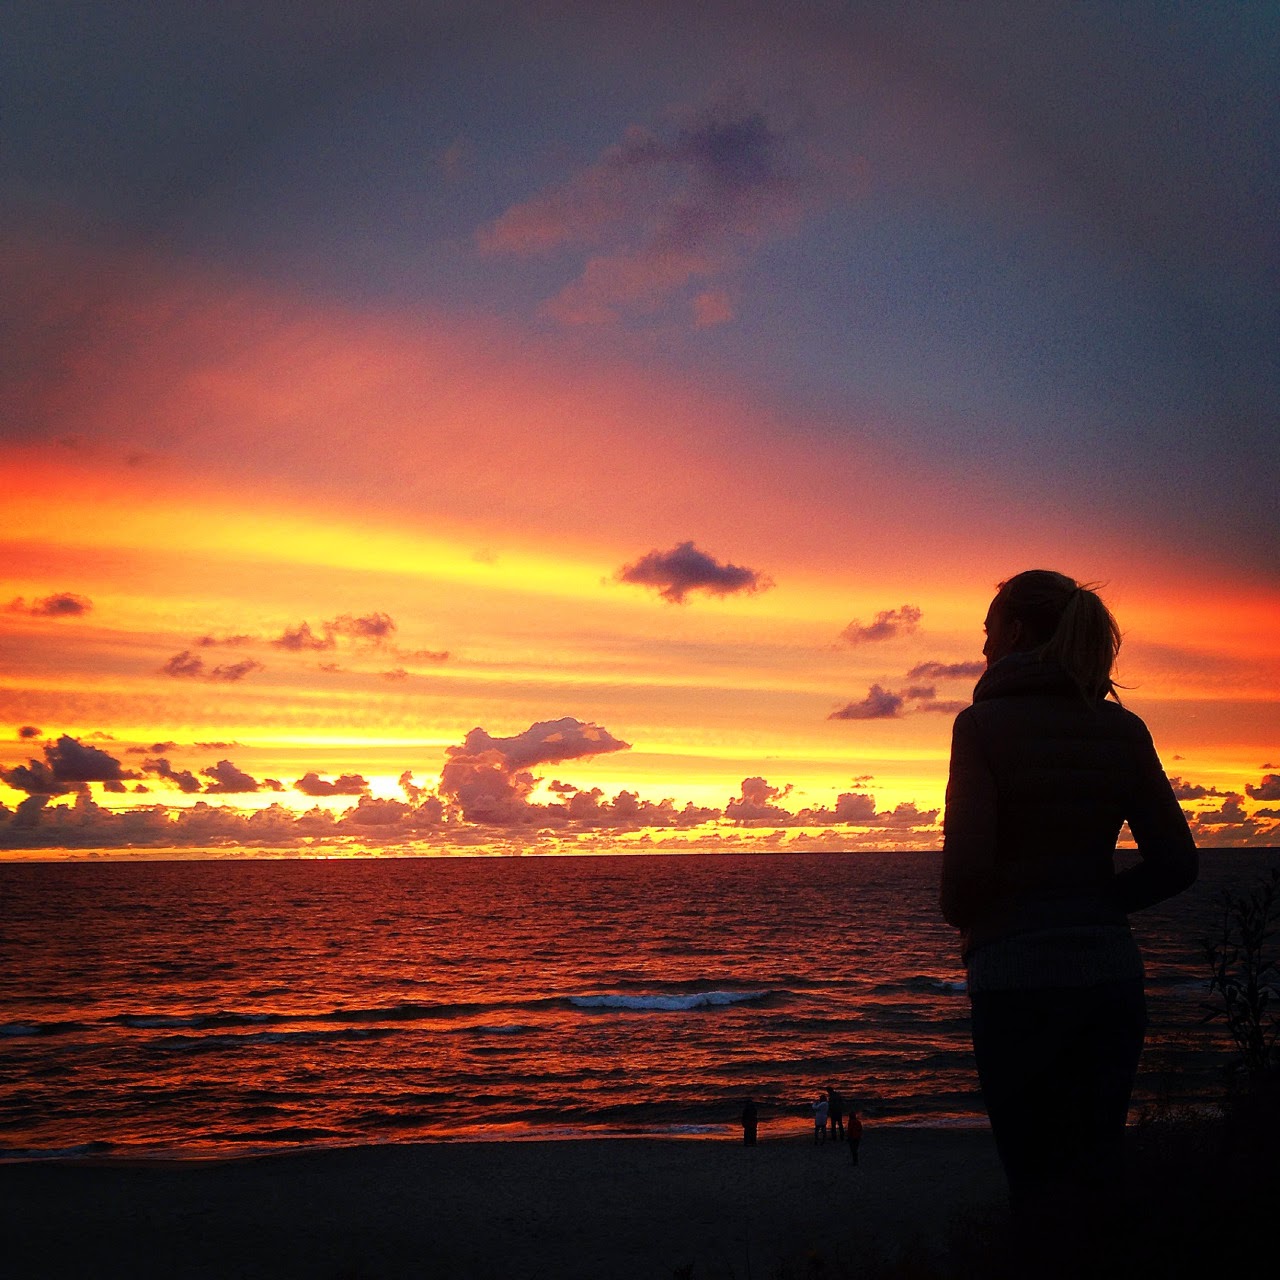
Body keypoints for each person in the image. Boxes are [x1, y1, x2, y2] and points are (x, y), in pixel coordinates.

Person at [940, 570, 1197, 1260]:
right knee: (1095, 1180)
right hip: (1109, 978)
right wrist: (1099, 905)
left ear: (1017, 633)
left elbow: (964, 876)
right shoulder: (1120, 728)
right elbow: (1176, 862)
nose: (985, 645)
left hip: (1015, 979)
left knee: (1036, 1190)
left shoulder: (982, 726)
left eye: (989, 630)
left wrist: (970, 917)